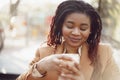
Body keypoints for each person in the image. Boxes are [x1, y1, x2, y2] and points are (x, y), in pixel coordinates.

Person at [16, 0, 120, 80]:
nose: (76, 32)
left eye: (83, 28)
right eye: (69, 26)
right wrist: (41, 67)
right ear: (60, 26)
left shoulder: (104, 53)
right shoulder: (45, 51)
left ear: (90, 30)